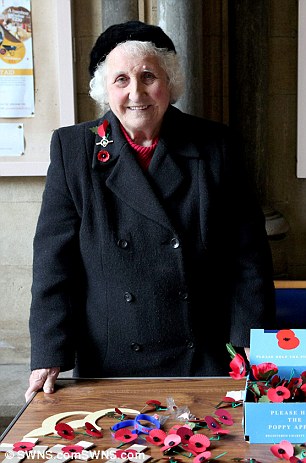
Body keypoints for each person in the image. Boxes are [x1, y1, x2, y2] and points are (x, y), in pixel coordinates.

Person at [25, 20, 275, 401]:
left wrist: (250, 343)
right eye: (121, 79)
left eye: (148, 76)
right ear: (104, 90)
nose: (136, 92)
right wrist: (48, 354)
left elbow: (248, 257)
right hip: (111, 358)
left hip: (204, 355)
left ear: (170, 83)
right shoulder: (73, 149)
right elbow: (53, 265)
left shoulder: (216, 145)